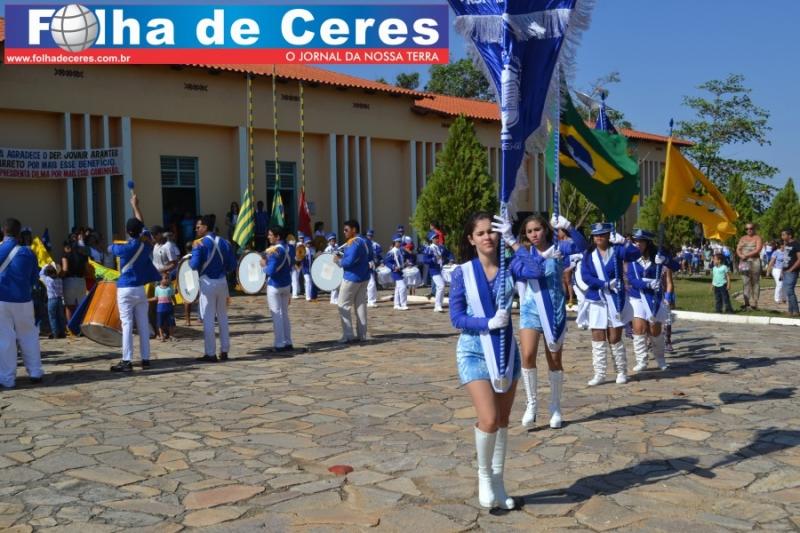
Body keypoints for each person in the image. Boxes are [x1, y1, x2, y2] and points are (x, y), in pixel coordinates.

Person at [449, 211, 519, 510]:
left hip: (505, 350)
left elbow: (539, 270)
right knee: (489, 418)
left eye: (492, 231)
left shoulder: (511, 267)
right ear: (471, 239)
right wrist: (487, 323)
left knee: (502, 420)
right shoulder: (462, 273)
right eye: (480, 233)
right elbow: (456, 317)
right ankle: (484, 477)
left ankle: (499, 482)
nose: (487, 237)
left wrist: (514, 241)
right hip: (474, 350)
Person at [508, 214, 587, 429]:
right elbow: (524, 271)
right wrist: (544, 257)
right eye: (529, 231)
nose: (534, 234)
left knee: (554, 360)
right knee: (527, 355)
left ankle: (555, 407)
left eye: (537, 229)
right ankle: (531, 404)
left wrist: (569, 227)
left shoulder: (560, 247)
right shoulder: (522, 254)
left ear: (545, 229)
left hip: (554, 310)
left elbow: (583, 247)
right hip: (530, 309)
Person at [580, 223, 640, 386]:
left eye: (603, 234)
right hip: (597, 298)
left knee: (614, 337)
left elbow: (635, 254)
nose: (599, 237)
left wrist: (624, 242)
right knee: (597, 336)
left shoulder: (617, 250)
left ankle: (621, 371)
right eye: (596, 234)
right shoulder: (588, 254)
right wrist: (604, 284)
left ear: (608, 235)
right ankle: (599, 373)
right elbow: (585, 276)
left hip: (615, 299)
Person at [108, 194, 162, 372]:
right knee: (143, 324)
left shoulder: (125, 247)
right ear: (140, 231)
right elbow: (141, 223)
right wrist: (135, 205)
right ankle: (145, 359)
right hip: (140, 289)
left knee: (127, 325)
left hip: (125, 289)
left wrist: (112, 244)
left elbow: (110, 248)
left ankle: (127, 361)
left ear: (127, 231)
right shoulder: (146, 243)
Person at [0, 218, 44, 388]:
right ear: (19, 233)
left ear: (4, 231)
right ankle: (35, 372)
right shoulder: (28, 252)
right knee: (29, 336)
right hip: (24, 300)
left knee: (5, 339)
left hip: (2, 299)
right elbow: (34, 278)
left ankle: (7, 379)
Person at [627, 230, 677, 373]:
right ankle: (641, 360)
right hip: (637, 297)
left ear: (647, 243)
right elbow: (632, 279)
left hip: (654, 297)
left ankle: (660, 358)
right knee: (639, 328)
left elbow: (676, 266)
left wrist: (665, 260)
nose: (637, 244)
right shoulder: (631, 258)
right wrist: (647, 284)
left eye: (641, 241)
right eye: (635, 241)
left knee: (655, 330)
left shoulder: (658, 256)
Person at [190, 214, 237, 362]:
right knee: (223, 317)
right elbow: (232, 265)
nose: (196, 229)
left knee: (208, 318)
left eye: (198, 227)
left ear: (205, 227)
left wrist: (191, 256)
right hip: (222, 282)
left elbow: (194, 265)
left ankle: (210, 353)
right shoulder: (225, 242)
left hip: (207, 283)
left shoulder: (199, 244)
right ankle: (225, 351)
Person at [334, 220, 374, 343]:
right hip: (364, 277)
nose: (344, 232)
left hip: (352, 278)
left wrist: (338, 261)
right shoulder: (366, 241)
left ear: (354, 230)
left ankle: (348, 335)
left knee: (343, 305)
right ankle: (362, 335)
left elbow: (349, 261)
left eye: (346, 230)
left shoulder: (354, 242)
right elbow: (369, 257)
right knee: (360, 306)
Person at [262, 225, 294, 351]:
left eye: (271, 235)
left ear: (278, 237)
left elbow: (270, 271)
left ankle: (279, 344)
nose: (268, 237)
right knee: (284, 314)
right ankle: (288, 342)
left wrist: (263, 266)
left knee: (277, 315)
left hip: (275, 285)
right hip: (286, 284)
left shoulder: (275, 251)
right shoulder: (290, 248)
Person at [422, 230, 453, 313]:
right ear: (431, 239)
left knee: (442, 286)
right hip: (434, 270)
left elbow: (449, 253)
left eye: (437, 237)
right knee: (441, 286)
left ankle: (439, 305)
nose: (437, 239)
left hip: (442, 269)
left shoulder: (441, 247)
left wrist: (451, 259)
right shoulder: (429, 248)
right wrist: (433, 259)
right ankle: (437, 305)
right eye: (435, 238)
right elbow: (425, 260)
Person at [736, 222, 764, 310]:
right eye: (747, 229)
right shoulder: (742, 238)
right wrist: (740, 255)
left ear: (754, 229)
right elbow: (738, 249)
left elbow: (758, 249)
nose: (749, 230)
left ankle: (755, 303)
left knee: (755, 282)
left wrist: (746, 255)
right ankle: (746, 303)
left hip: (755, 261)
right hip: (744, 261)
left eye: (751, 228)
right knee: (745, 282)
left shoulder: (757, 238)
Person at [60, 239, 88, 323]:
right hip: (81, 281)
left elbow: (65, 269)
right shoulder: (83, 256)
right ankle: (81, 325)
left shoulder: (65, 256)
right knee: (81, 306)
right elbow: (87, 271)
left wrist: (59, 276)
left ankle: (70, 326)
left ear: (67, 247)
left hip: (69, 281)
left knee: (69, 307)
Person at [40, 265, 66, 339]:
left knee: (53, 317)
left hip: (52, 299)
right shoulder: (60, 279)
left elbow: (41, 273)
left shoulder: (48, 279)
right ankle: (62, 332)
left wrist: (46, 265)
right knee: (60, 317)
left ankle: (55, 333)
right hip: (59, 299)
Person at [385, 235, 409, 310]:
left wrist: (405, 263)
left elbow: (402, 260)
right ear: (394, 243)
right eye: (397, 242)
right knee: (402, 287)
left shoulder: (400, 251)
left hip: (401, 271)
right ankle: (403, 304)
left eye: (400, 242)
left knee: (398, 288)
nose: (399, 243)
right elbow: (387, 262)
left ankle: (396, 304)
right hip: (395, 271)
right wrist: (393, 267)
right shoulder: (391, 252)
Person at [781, 228, 800, 316]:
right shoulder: (787, 244)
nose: (782, 236)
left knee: (790, 291)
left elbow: (799, 259)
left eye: (783, 235)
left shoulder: (796, 244)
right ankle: (790, 311)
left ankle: (796, 311)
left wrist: (791, 269)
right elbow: (785, 258)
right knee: (788, 291)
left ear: (790, 235)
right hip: (785, 271)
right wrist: (782, 270)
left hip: (792, 272)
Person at [153, 273, 175, 341]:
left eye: (168, 278)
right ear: (160, 280)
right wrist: (146, 299)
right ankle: (161, 335)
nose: (167, 279)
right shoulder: (157, 288)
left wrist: (175, 304)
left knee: (171, 322)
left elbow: (173, 297)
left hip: (169, 307)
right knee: (160, 323)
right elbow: (156, 298)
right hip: (160, 309)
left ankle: (171, 335)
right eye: (165, 278)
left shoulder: (170, 287)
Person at [365, 229, 382, 308]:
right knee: (370, 283)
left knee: (372, 283)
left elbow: (378, 255)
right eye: (368, 235)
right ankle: (370, 300)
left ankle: (372, 300)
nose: (369, 237)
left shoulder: (375, 245)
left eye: (371, 236)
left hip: (372, 265)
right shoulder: (364, 244)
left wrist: (379, 261)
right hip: (366, 264)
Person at [324, 233, 340, 305]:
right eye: (332, 241)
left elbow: (339, 255)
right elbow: (326, 258)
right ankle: (333, 299)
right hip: (330, 267)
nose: (333, 242)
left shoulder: (337, 247)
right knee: (334, 284)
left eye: (334, 240)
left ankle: (334, 298)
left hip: (336, 266)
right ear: (329, 241)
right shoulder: (328, 249)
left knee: (337, 283)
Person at [301, 236, 318, 302]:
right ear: (305, 243)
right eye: (307, 243)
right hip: (305, 269)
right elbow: (300, 258)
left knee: (310, 282)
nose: (309, 244)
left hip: (311, 268)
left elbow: (314, 258)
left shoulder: (312, 250)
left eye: (310, 243)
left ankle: (310, 295)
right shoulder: (303, 250)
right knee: (308, 281)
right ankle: (307, 297)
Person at [290, 232, 303, 299]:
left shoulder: (297, 248)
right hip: (289, 267)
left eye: (294, 241)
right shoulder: (287, 248)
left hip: (295, 266)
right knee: (289, 280)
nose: (293, 242)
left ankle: (294, 294)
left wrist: (297, 264)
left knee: (294, 279)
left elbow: (299, 257)